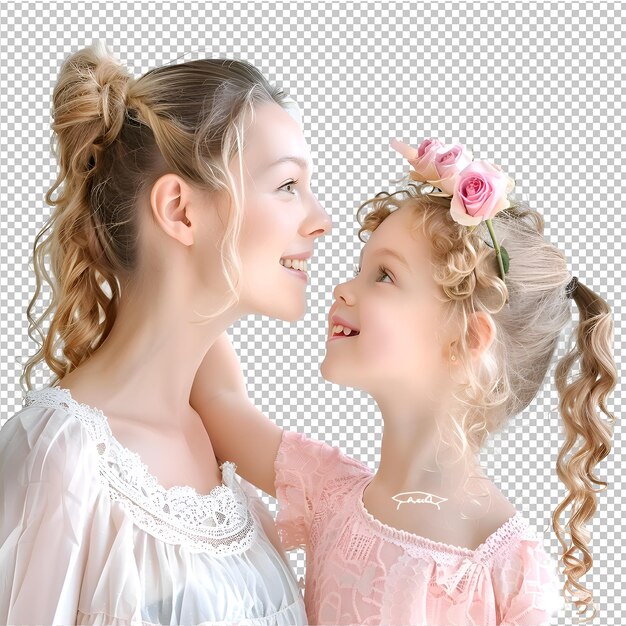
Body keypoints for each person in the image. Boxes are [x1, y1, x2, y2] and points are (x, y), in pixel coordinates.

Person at [191, 138, 617, 625]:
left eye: (384, 275)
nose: (342, 287)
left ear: (465, 338)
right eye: (361, 267)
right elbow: (220, 401)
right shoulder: (330, 492)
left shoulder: (509, 573)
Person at [0, 41, 333, 625]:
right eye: (287, 186)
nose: (320, 219)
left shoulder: (225, 443)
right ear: (180, 209)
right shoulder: (65, 455)